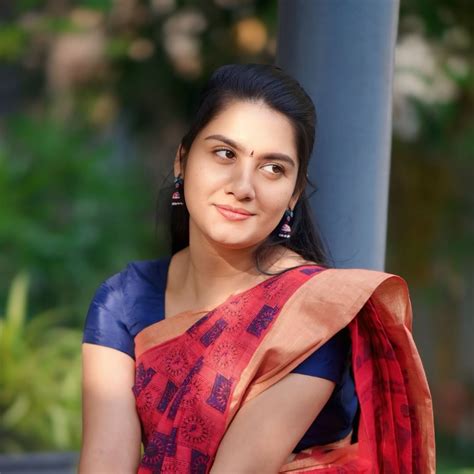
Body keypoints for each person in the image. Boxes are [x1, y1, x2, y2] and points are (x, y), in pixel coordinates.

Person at [79, 63, 435, 473]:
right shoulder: (123, 301)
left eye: (272, 168)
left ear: (293, 194)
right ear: (182, 161)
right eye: (224, 154)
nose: (243, 187)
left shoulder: (310, 314)